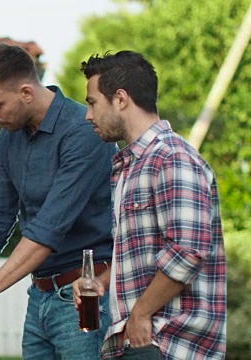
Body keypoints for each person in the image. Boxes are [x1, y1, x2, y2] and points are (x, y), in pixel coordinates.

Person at [0, 43, 117, 359]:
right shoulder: (10, 137)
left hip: (85, 298)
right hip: (40, 295)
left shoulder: (83, 132)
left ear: (27, 93)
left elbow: (47, 230)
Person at [73, 50, 227, 359]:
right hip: (137, 341)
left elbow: (188, 250)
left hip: (168, 343)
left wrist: (140, 314)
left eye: (92, 103)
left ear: (120, 99)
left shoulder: (173, 158)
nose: (88, 115)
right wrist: (102, 282)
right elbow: (144, 251)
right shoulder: (133, 165)